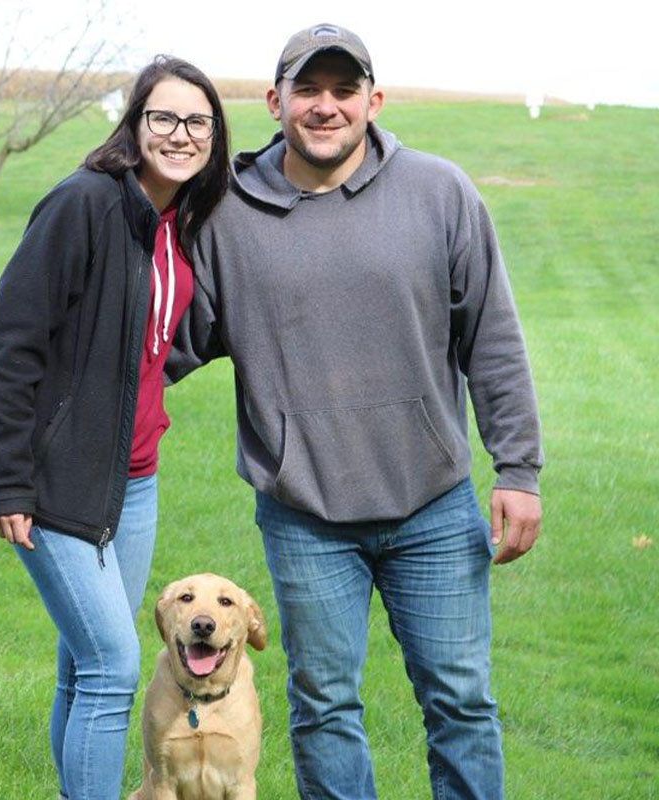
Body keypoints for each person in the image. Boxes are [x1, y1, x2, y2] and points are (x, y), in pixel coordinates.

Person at [167, 23, 543, 800]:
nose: (326, 107)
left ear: (374, 101)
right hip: (304, 514)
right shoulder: (225, 215)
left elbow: (493, 337)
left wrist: (518, 469)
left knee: (462, 704)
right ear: (276, 102)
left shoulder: (440, 192)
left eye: (345, 91)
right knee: (324, 707)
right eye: (308, 89)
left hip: (433, 505)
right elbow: (169, 340)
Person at [0, 55, 230, 800]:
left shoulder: (180, 218)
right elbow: (7, 345)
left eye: (198, 122)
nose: (180, 134)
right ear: (135, 122)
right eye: (164, 117)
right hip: (56, 482)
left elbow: (150, 334)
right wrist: (7, 479)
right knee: (113, 669)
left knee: (80, 667)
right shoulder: (82, 204)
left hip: (134, 480)